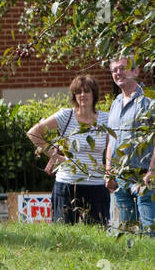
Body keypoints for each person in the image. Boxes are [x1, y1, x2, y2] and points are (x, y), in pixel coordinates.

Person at [28, 75, 110, 226]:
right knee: (63, 237)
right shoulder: (66, 115)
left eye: (87, 91)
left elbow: (111, 151)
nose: (83, 95)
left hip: (96, 186)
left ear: (94, 94)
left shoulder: (106, 119)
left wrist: (110, 173)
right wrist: (55, 156)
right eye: (78, 92)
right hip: (66, 185)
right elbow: (33, 133)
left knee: (98, 238)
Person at [105, 55, 155, 236]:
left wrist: (153, 170)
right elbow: (112, 140)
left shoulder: (149, 101)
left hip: (144, 176)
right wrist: (108, 170)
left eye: (123, 68)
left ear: (136, 71)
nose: (119, 73)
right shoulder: (115, 103)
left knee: (150, 230)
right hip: (120, 178)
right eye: (114, 70)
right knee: (128, 231)